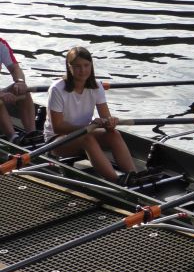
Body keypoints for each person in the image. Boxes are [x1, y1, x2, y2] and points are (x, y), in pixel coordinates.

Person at [43, 46, 137, 184]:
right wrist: (89, 126)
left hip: (85, 133)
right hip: (56, 141)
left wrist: (110, 123)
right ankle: (117, 182)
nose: (83, 71)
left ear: (91, 65)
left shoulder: (97, 86)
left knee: (114, 134)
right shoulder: (57, 89)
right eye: (77, 66)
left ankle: (133, 175)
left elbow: (106, 120)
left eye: (86, 65)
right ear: (69, 67)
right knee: (87, 138)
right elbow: (58, 127)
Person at [0, 38, 36, 142]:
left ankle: (32, 135)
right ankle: (13, 139)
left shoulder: (1, 44)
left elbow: (15, 69)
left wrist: (20, 82)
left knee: (23, 93)